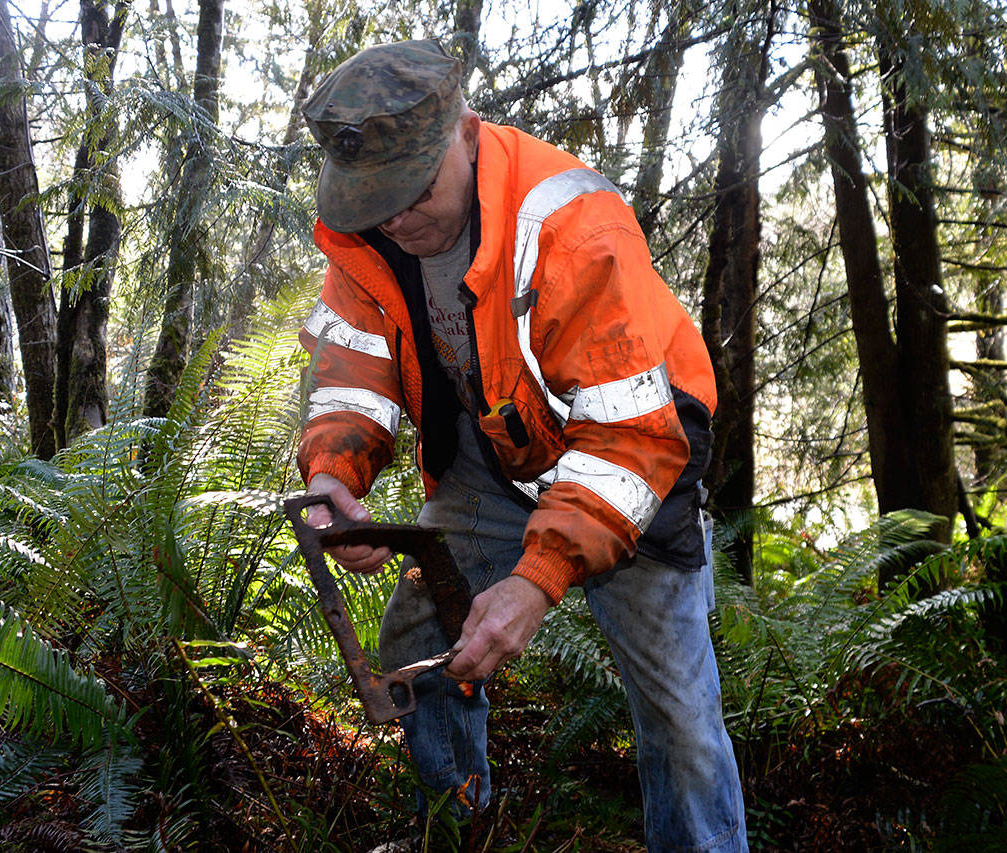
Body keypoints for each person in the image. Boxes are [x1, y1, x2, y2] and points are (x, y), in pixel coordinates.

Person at [296, 38, 747, 852]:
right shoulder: (368, 234)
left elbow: (631, 434)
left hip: (636, 465)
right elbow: (354, 364)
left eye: (411, 193)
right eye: (374, 200)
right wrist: (335, 470)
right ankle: (458, 824)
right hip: (495, 459)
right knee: (418, 644)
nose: (396, 218)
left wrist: (537, 580)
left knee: (679, 718)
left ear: (465, 132)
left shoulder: (572, 226)